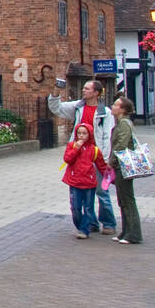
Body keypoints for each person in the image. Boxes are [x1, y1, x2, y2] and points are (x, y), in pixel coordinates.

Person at [48, 79, 118, 235]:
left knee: (101, 191)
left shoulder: (105, 112)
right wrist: (56, 92)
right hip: (80, 156)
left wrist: (105, 159)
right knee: (84, 191)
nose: (83, 91)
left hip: (97, 156)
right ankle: (91, 223)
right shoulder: (78, 107)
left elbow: (108, 136)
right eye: (84, 88)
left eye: (87, 88)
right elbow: (56, 108)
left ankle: (108, 223)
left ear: (96, 93)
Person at [61, 123, 110, 239]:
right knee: (75, 208)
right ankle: (80, 225)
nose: (81, 136)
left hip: (89, 183)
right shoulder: (72, 146)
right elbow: (67, 159)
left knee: (88, 208)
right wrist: (76, 148)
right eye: (79, 133)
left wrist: (110, 179)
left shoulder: (95, 150)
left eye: (84, 133)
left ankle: (84, 229)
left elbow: (102, 166)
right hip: (75, 182)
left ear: (89, 135)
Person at [108, 96, 143, 244]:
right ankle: (126, 231)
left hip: (123, 165)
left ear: (123, 109)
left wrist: (111, 161)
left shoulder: (124, 124)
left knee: (127, 200)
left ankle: (133, 234)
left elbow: (121, 145)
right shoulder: (121, 123)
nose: (113, 106)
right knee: (123, 200)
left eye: (116, 105)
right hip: (120, 165)